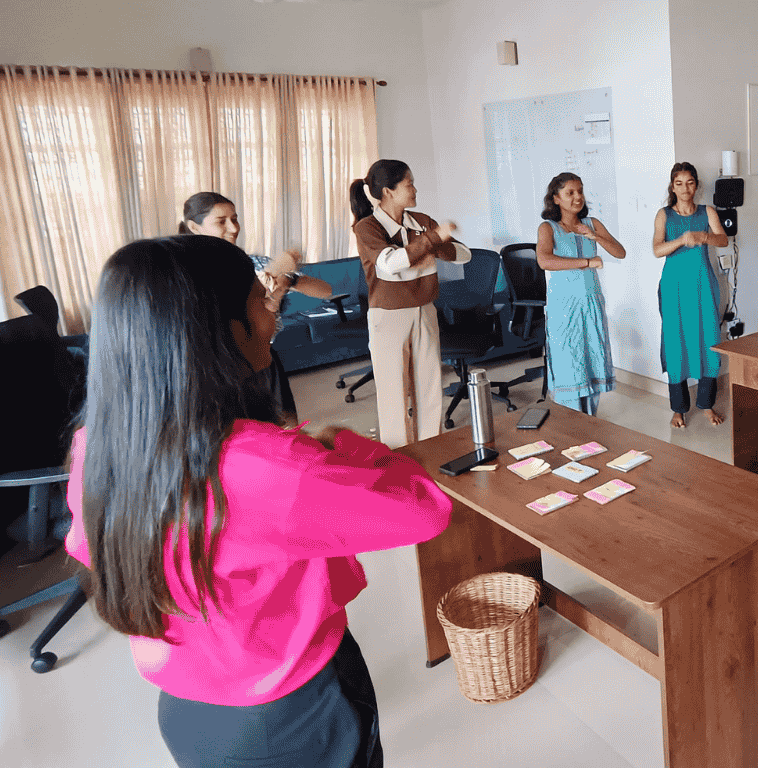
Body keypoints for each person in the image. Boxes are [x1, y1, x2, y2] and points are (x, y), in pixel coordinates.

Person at [65, 235, 454, 768]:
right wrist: (342, 444)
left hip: (187, 711)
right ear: (222, 331)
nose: (272, 315)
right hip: (292, 713)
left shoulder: (94, 448)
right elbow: (423, 509)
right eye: (260, 300)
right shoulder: (267, 466)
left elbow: (91, 548)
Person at [180, 191, 333, 426]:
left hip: (264, 364)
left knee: (286, 434)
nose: (233, 228)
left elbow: (325, 291)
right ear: (194, 226)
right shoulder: (187, 274)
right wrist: (263, 285)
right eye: (222, 221)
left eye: (235, 218)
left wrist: (288, 280)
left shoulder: (254, 263)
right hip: (216, 372)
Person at [350, 159, 470, 449]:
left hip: (425, 310)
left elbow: (464, 254)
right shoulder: (368, 228)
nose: (415, 189)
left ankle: (432, 450)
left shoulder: (422, 222)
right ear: (388, 191)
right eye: (409, 184)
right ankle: (398, 456)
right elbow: (391, 263)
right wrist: (430, 241)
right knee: (394, 393)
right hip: (389, 317)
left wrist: (435, 244)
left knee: (429, 388)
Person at [536, 172, 627, 416]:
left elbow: (620, 252)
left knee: (592, 362)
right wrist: (587, 262)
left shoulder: (592, 224)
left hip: (591, 303)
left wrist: (594, 237)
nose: (578, 197)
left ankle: (590, 421)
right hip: (564, 308)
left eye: (580, 191)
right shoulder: (548, 228)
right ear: (556, 199)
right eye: (570, 193)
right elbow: (544, 260)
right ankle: (573, 425)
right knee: (570, 365)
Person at [652, 162, 729, 428]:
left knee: (708, 339)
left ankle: (707, 405)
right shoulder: (664, 215)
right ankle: (679, 409)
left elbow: (723, 240)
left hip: (702, 284)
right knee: (676, 343)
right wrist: (682, 240)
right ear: (672, 186)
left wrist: (702, 236)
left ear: (696, 185)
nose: (685, 188)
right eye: (679, 183)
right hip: (674, 287)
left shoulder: (707, 211)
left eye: (690, 182)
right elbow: (657, 249)